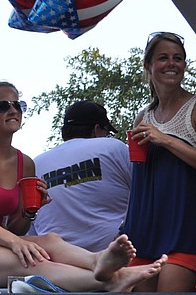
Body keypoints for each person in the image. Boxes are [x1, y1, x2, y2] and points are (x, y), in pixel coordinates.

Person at [0, 81, 166, 290]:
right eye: (4, 105)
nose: (14, 110)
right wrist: (15, 242)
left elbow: (16, 229)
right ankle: (113, 280)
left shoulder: (25, 163)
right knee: (33, 260)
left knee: (51, 240)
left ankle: (97, 260)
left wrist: (30, 211)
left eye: (18, 104)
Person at [121, 32, 196, 292]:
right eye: (163, 58)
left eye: (178, 58)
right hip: (144, 230)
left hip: (185, 229)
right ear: (148, 65)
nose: (172, 63)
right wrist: (127, 226)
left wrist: (166, 140)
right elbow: (141, 179)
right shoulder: (143, 116)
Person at [28, 100, 131, 252]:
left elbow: (30, 227)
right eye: (106, 132)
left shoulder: (36, 164)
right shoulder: (113, 147)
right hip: (117, 254)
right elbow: (148, 196)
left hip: (59, 261)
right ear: (97, 129)